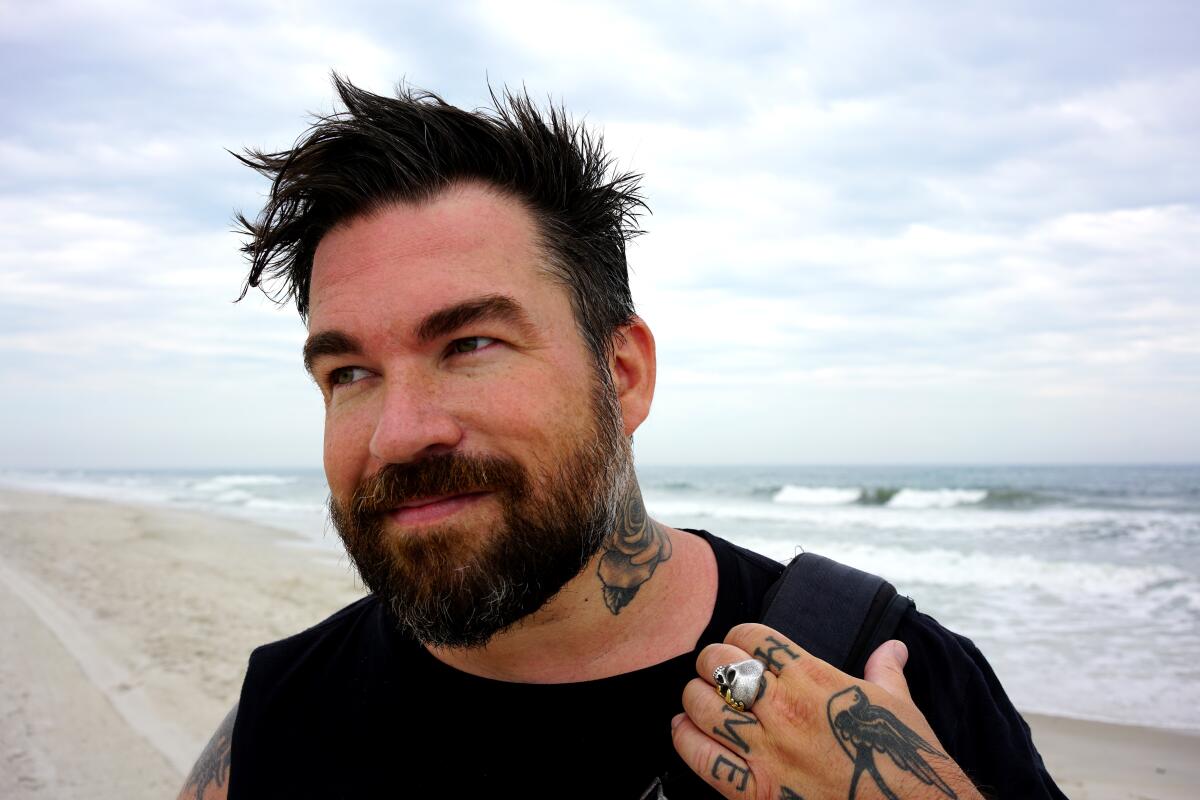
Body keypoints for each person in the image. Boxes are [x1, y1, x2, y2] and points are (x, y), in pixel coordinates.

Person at [178, 76, 1066, 800]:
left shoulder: (883, 681)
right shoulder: (281, 721)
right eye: (350, 374)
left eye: (470, 345)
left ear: (625, 374)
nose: (400, 435)